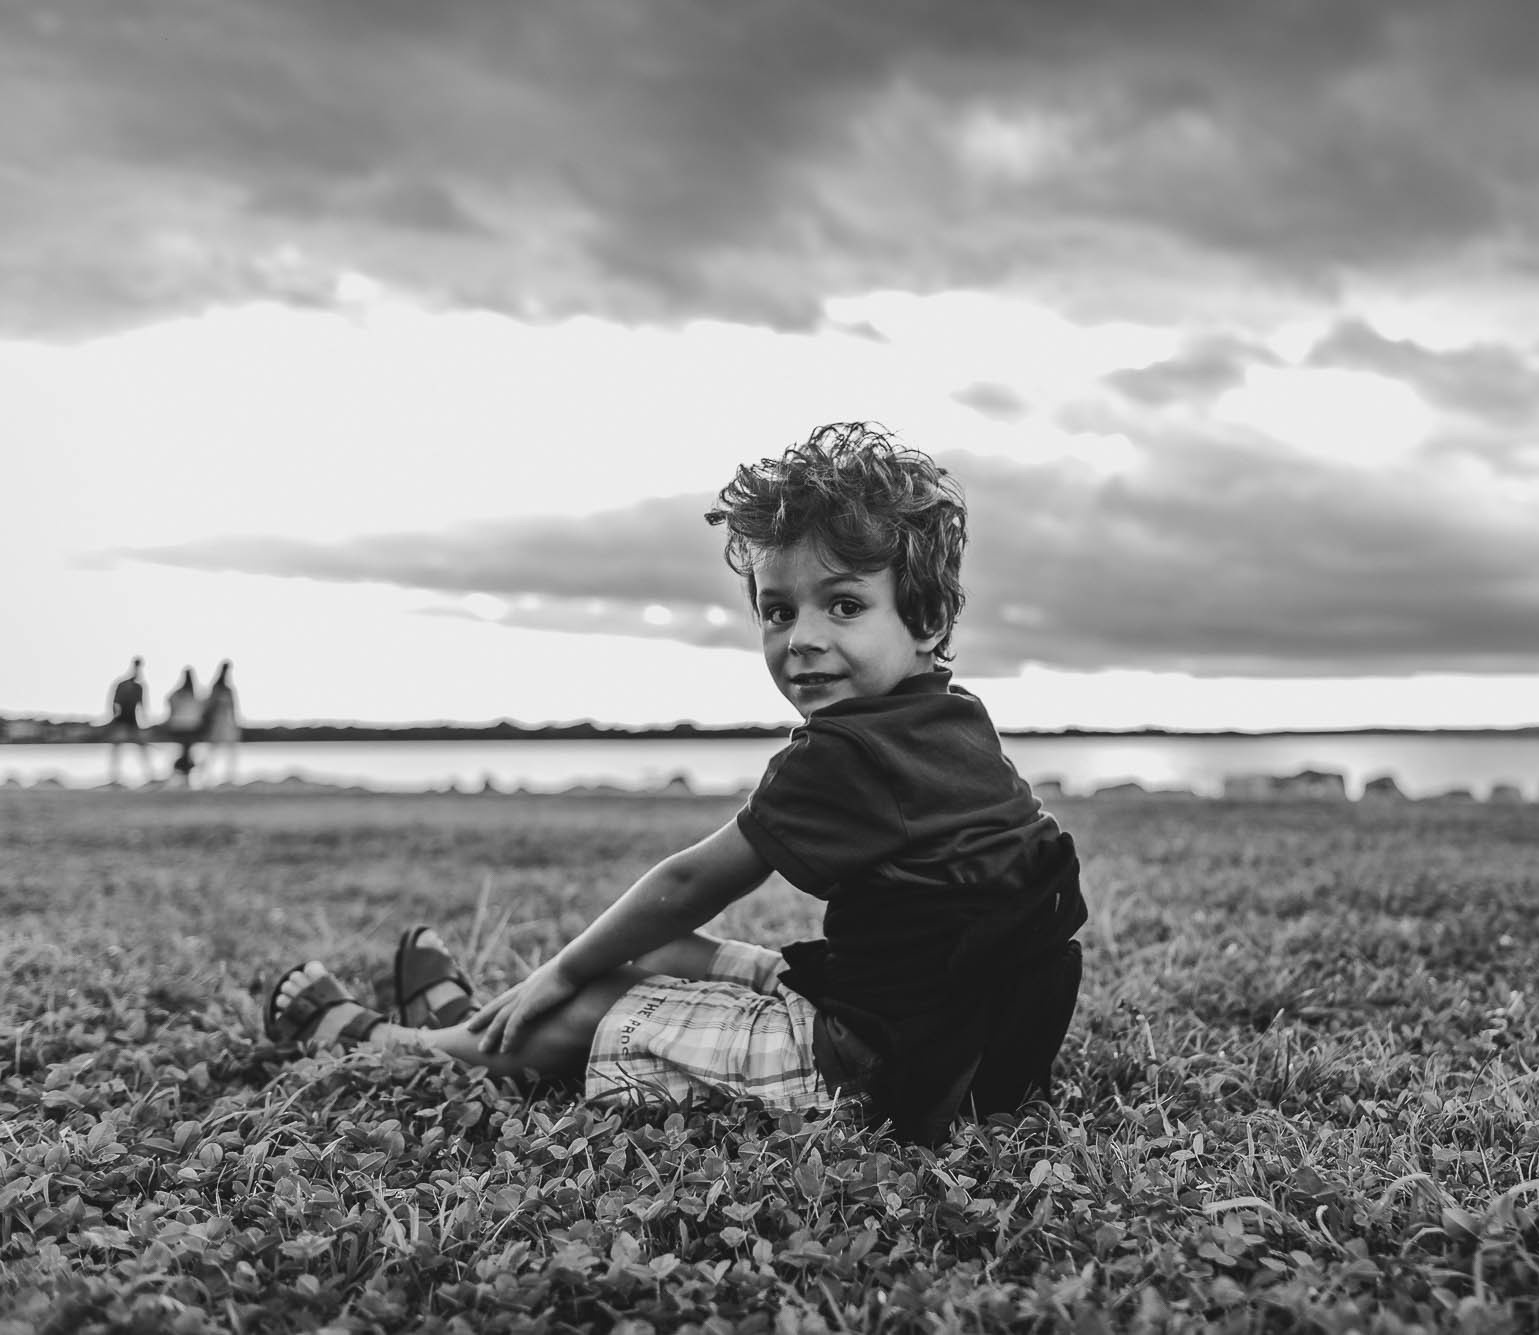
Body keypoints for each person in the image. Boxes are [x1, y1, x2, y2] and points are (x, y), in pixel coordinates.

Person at [264, 423, 1088, 1144]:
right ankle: (470, 1023)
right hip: (972, 1050)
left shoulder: (844, 753)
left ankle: (402, 1046)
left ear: (927, 618)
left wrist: (560, 972)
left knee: (602, 991)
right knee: (656, 948)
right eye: (778, 610)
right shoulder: (954, 720)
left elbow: (692, 881)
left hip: (869, 1072)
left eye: (843, 605)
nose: (801, 638)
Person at [104, 657, 154, 786]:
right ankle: (114, 777)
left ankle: (149, 775)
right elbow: (114, 703)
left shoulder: (138, 686)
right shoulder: (125, 685)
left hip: (131, 721)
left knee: (139, 747)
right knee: (118, 748)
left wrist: (146, 722)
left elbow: (141, 705)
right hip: (123, 720)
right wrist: (114, 717)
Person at [201, 660, 242, 786]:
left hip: (226, 723)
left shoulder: (227, 689)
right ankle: (207, 777)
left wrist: (235, 724)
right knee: (213, 751)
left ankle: (229, 776)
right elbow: (209, 707)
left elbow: (233, 708)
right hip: (219, 724)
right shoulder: (218, 689)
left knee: (229, 751)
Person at [163, 667, 205, 788]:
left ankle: (184, 774)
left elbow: (170, 702)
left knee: (185, 751)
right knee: (187, 751)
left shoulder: (178, 694)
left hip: (178, 727)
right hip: (190, 728)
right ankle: (185, 774)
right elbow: (202, 709)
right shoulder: (196, 694)